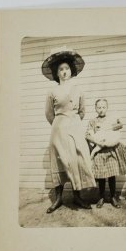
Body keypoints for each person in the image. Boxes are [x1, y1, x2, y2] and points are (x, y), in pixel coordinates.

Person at [42, 47, 96, 213]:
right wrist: (60, 124)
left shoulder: (78, 90)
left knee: (76, 160)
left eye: (66, 69)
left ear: (71, 71)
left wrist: (72, 123)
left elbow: (82, 111)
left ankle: (77, 196)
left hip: (74, 129)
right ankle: (58, 198)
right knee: (58, 161)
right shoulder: (52, 91)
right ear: (56, 73)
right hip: (58, 130)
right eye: (60, 69)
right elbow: (49, 114)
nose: (64, 72)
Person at [86, 98, 126, 208]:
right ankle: (101, 197)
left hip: (110, 149)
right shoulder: (92, 121)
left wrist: (113, 127)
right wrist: (96, 140)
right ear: (95, 108)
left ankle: (112, 197)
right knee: (101, 176)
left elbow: (120, 125)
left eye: (103, 107)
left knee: (111, 175)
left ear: (107, 108)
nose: (101, 109)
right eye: (99, 107)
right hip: (99, 151)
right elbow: (87, 135)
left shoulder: (111, 119)